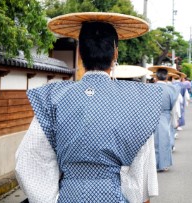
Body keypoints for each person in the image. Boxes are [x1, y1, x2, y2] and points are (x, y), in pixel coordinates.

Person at [15, 13, 162, 203]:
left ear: (81, 53)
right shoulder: (137, 100)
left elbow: (30, 158)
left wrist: (50, 198)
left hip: (69, 196)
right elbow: (141, 163)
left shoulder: (54, 98)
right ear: (115, 53)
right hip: (113, 196)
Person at [148, 66, 179, 171]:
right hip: (165, 117)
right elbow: (173, 107)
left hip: (151, 116)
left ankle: (152, 164)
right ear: (166, 78)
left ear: (156, 77)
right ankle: (163, 164)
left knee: (152, 142)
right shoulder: (172, 89)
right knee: (164, 140)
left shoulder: (149, 88)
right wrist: (175, 120)